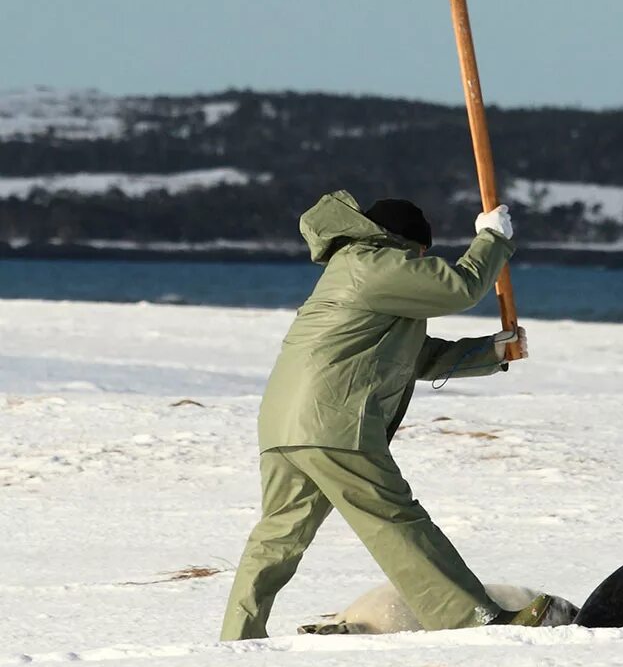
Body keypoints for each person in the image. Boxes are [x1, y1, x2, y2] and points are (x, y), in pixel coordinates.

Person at [220, 191, 546, 641]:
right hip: (333, 420)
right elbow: (461, 288)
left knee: (277, 537)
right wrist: (492, 239)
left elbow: (412, 355)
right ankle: (470, 620)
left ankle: (238, 636)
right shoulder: (375, 263)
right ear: (410, 244)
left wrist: (492, 351)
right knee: (396, 521)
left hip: (285, 423)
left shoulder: (357, 269)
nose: (422, 263)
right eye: (423, 255)